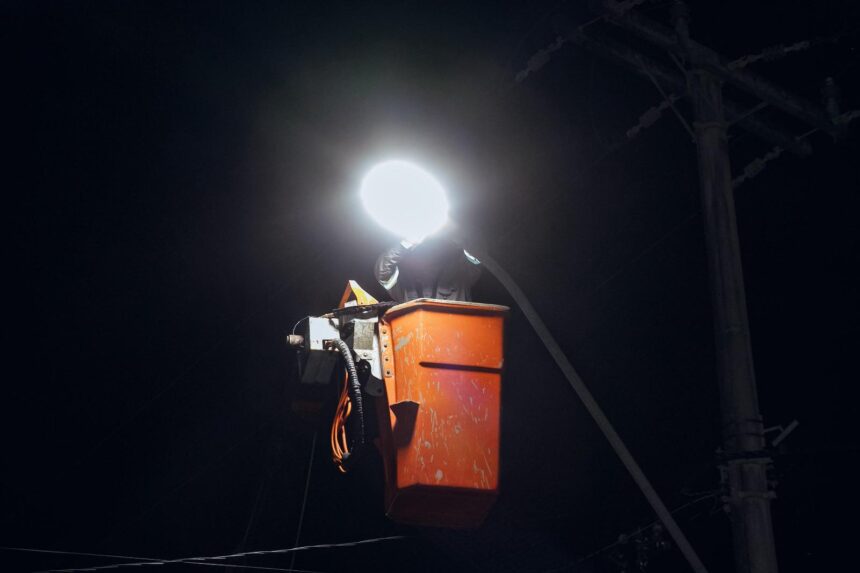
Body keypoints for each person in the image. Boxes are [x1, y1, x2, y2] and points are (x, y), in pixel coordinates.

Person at [374, 236, 482, 303]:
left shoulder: (461, 276)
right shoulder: (406, 284)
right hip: (418, 332)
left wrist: (460, 238)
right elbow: (382, 272)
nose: (431, 252)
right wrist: (406, 243)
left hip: (457, 332)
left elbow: (477, 259)